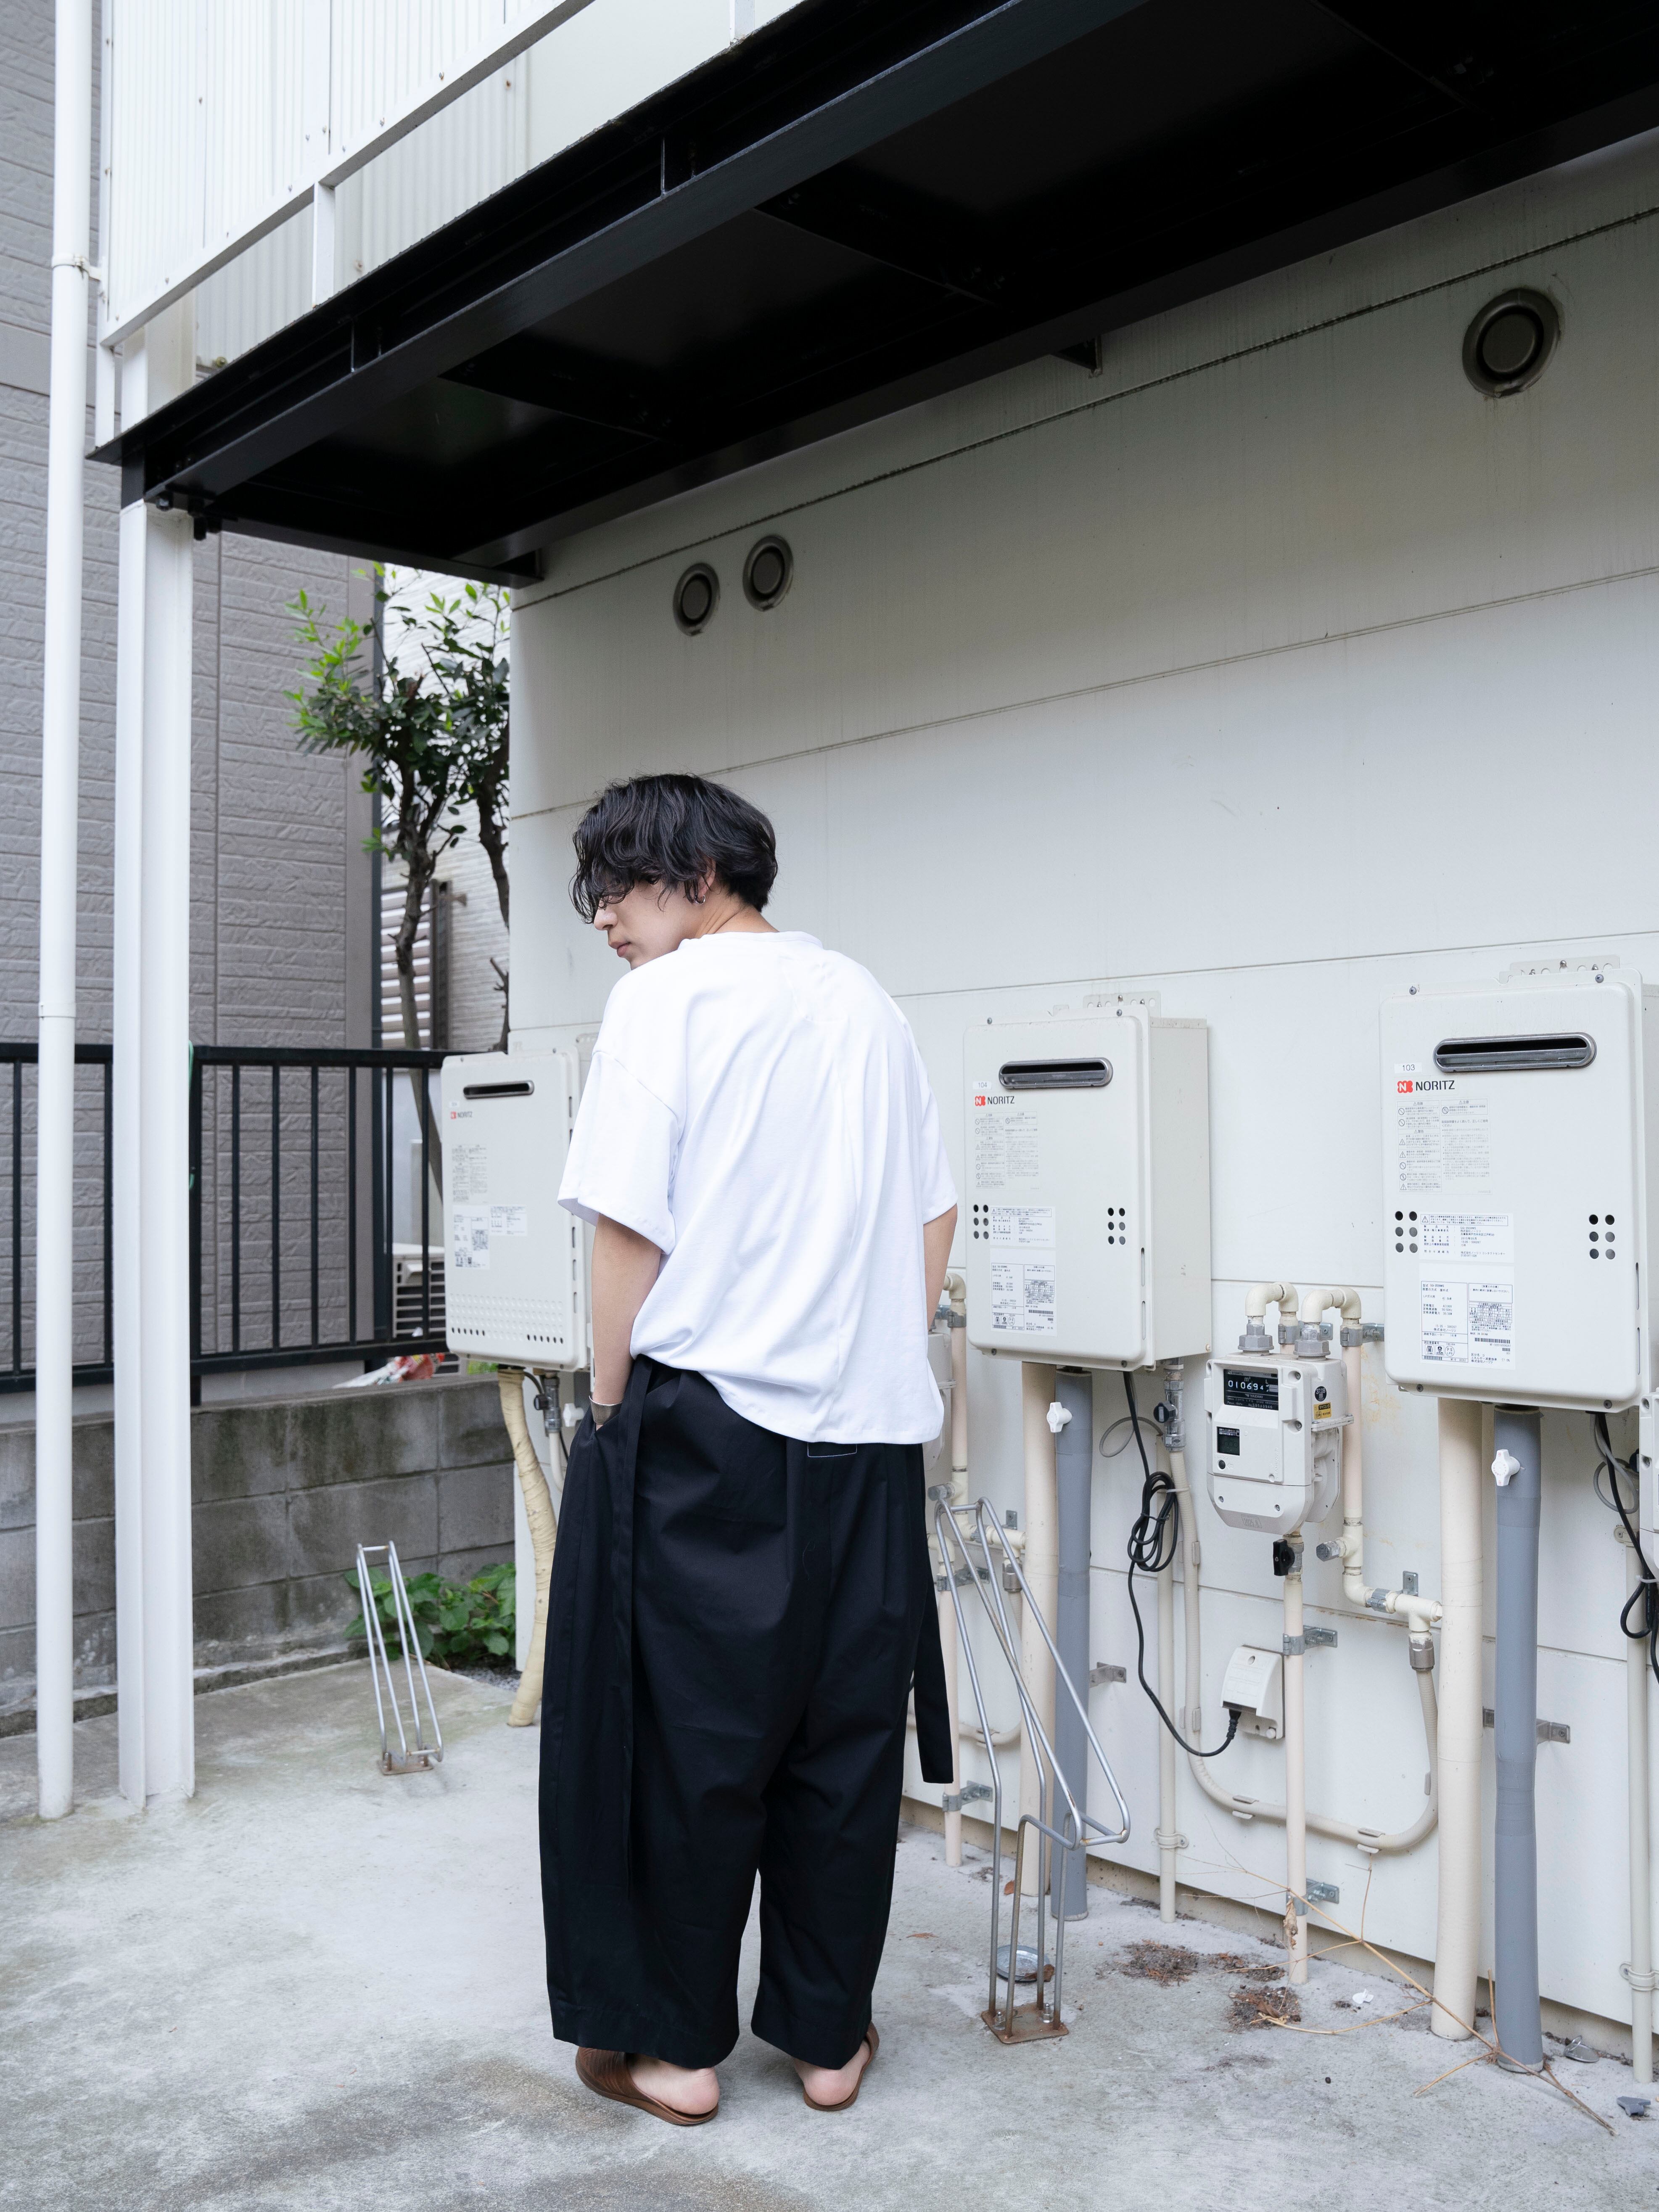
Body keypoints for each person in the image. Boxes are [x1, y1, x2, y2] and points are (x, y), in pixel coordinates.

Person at [540, 771, 957, 2125]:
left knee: (688, 1746)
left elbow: (628, 1225)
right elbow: (933, 1216)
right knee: (842, 1743)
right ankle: (828, 2044)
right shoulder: (867, 1002)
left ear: (701, 872)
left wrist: (612, 1411)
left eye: (620, 883)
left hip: (709, 1429)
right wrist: (868, 1348)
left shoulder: (665, 1002)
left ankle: (676, 2054)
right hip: (869, 1437)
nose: (604, 916)